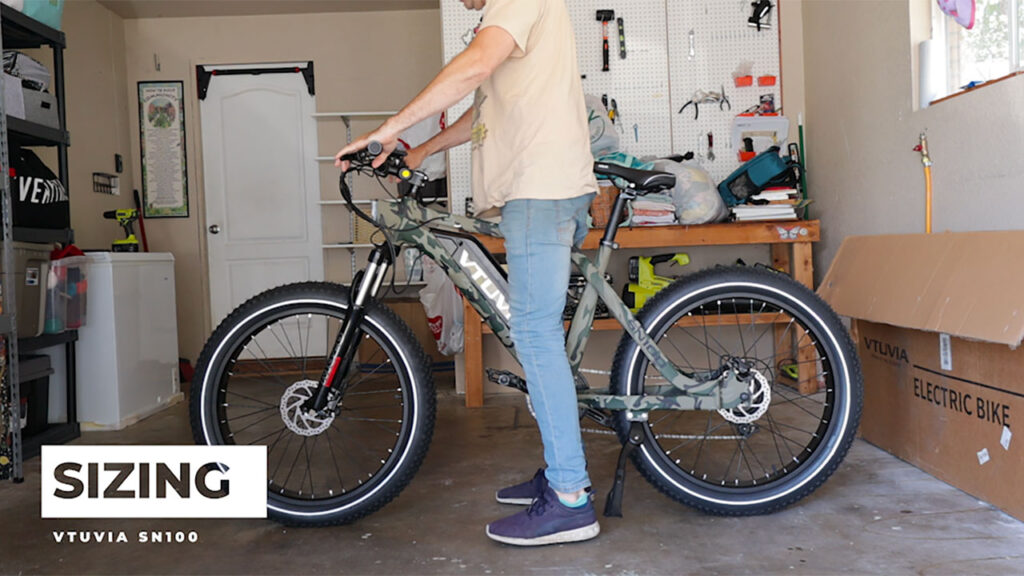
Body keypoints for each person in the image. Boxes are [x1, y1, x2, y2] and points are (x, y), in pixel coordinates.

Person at [336, 0, 599, 546]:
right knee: (537, 332)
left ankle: (571, 497)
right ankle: (559, 472)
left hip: (541, 189)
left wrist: (387, 130)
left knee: (533, 332)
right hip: (541, 188)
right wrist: (419, 148)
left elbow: (475, 67)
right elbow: (486, 111)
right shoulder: (511, 18)